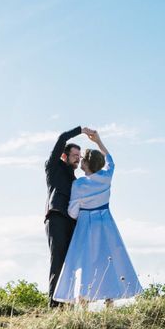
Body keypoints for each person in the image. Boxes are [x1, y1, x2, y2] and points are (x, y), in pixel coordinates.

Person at [52, 131, 142, 305]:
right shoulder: (106, 177)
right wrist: (99, 141)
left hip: (86, 225)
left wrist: (83, 211)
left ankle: (83, 303)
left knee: (84, 264)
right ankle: (110, 303)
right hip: (106, 223)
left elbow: (72, 212)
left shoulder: (78, 184)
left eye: (82, 160)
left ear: (86, 163)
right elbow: (111, 162)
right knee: (108, 262)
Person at [45, 126, 94, 307]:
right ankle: (54, 305)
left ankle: (68, 304)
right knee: (58, 260)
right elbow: (62, 138)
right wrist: (81, 130)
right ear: (65, 156)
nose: (78, 159)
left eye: (79, 157)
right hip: (56, 217)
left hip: (73, 222)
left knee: (71, 262)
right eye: (75, 155)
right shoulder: (53, 166)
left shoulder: (76, 180)